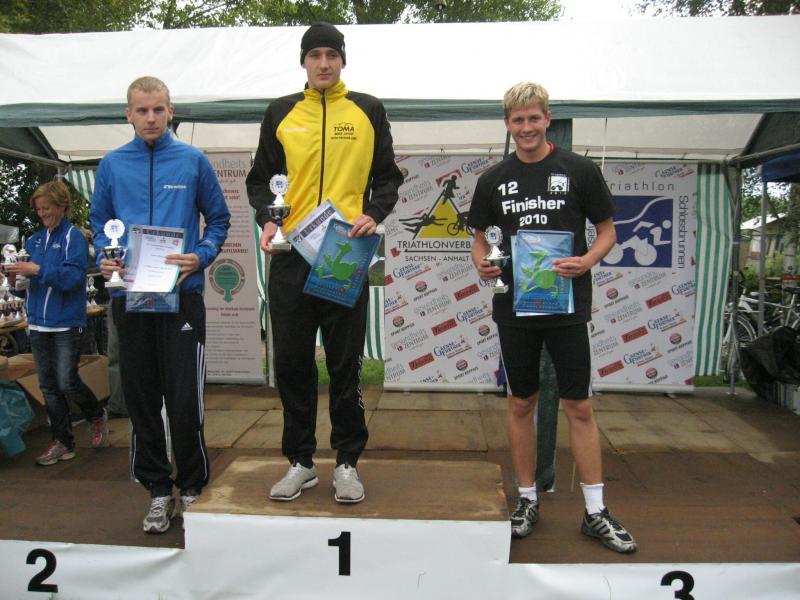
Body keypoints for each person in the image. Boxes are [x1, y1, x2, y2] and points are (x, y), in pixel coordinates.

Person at [467, 82, 636, 554]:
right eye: (518, 120)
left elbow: (607, 231)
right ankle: (526, 500)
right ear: (508, 124)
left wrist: (587, 261)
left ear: (547, 119)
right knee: (520, 403)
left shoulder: (579, 170)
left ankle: (596, 511)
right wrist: (481, 263)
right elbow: (480, 239)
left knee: (578, 405)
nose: (526, 128)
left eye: (534, 118)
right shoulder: (493, 179)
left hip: (566, 307)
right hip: (515, 308)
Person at [246, 23, 402, 504]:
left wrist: (373, 213)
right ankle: (300, 462)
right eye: (314, 55)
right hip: (291, 254)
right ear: (303, 61)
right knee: (292, 364)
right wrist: (267, 219)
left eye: (331, 55)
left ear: (342, 60)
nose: (323, 63)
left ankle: (348, 462)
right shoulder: (281, 112)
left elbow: (388, 178)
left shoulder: (368, 110)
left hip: (343, 251)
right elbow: (260, 180)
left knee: (344, 363)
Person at [89, 76, 230, 534]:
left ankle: (192, 486)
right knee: (142, 400)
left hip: (182, 298)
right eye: (142, 110)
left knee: (185, 400)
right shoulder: (112, 164)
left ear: (171, 112)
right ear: (128, 114)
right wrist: (106, 256)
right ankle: (157, 490)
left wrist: (201, 255)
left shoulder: (192, 160)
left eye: (158, 110)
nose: (150, 118)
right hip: (130, 298)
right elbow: (99, 223)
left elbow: (219, 220)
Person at [4, 181, 108, 466]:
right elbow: (23, 290)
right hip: (37, 323)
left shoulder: (75, 238)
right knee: (48, 385)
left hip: (65, 323)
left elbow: (73, 279)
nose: (42, 214)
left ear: (62, 206)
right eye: (39, 210)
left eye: (46, 208)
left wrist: (36, 269)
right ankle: (63, 442)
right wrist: (14, 281)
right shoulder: (33, 240)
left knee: (66, 381)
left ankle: (96, 414)